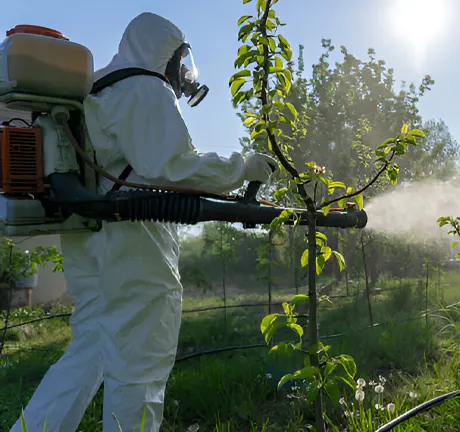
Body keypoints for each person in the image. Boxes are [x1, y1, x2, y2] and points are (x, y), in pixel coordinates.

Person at [11, 12, 276, 432]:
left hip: (89, 238)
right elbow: (172, 166)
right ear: (164, 53)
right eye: (180, 63)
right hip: (133, 241)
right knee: (141, 364)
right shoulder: (145, 87)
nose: (183, 76)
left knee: (90, 352)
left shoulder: (95, 89)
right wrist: (242, 167)